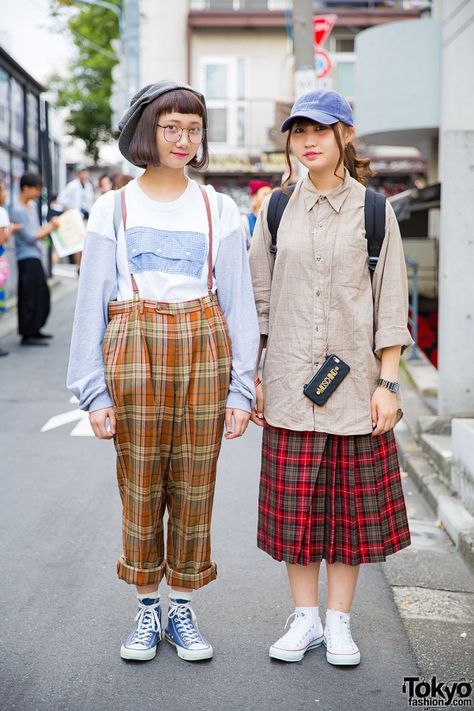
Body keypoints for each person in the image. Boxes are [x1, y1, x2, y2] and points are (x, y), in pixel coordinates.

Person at [67, 80, 259, 663]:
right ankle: (147, 607)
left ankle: (182, 603)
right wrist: (92, 390)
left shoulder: (218, 207)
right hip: (134, 339)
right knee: (142, 482)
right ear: (146, 132)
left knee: (196, 482)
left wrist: (242, 387)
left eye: (193, 128)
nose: (182, 138)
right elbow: (91, 300)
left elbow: (238, 301)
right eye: (170, 126)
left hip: (204, 339)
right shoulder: (114, 206)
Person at [249, 90, 413, 667]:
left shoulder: (375, 209)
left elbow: (390, 303)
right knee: (297, 516)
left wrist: (387, 385)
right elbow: (259, 303)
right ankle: (305, 620)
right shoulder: (274, 208)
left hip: (355, 390)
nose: (307, 141)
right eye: (298, 132)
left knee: (348, 516)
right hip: (291, 384)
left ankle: (340, 622)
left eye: (319, 129)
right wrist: (255, 377)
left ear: (345, 133)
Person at [10, 174, 59, 347]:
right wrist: (51, 227)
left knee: (40, 294)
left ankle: (35, 329)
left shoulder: (30, 206)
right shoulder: (17, 209)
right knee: (29, 296)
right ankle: (28, 333)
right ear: (25, 188)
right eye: (36, 188)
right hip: (26, 257)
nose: (38, 192)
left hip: (35, 256)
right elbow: (31, 236)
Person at [241, 179, 272, 248]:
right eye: (265, 194)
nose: (270, 197)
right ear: (254, 197)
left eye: (271, 194)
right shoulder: (245, 221)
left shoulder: (273, 220)